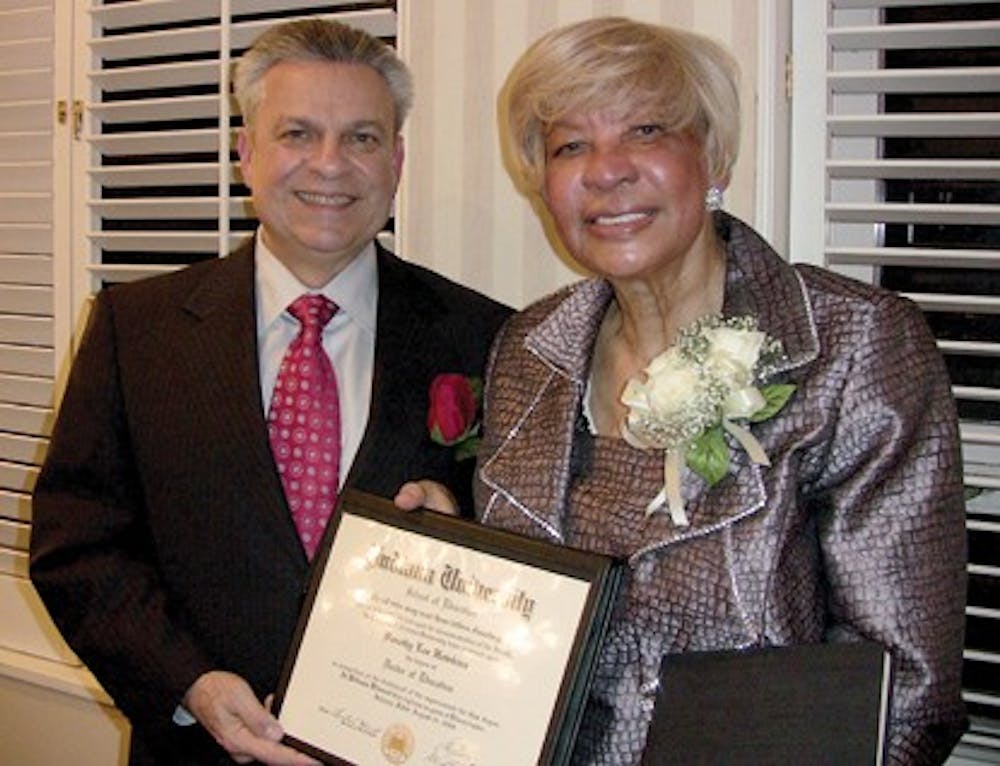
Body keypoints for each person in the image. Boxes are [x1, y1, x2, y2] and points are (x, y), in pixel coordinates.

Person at [401, 16, 967, 766]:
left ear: (715, 154)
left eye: (645, 130)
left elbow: (903, 696)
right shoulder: (528, 352)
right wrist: (456, 557)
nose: (607, 170)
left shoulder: (853, 344)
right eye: (571, 145)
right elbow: (536, 627)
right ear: (543, 183)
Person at [29, 18, 510, 766]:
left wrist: (464, 530)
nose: (330, 165)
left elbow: (524, 553)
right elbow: (78, 547)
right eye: (296, 134)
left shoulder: (484, 336)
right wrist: (187, 683)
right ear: (246, 154)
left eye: (362, 138)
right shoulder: (135, 329)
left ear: (397, 161)